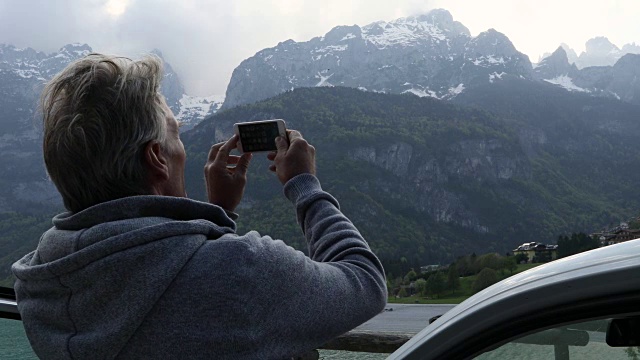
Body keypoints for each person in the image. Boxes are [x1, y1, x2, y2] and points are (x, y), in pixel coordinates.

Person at [11, 53, 387, 359]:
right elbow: (364, 282)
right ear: (157, 157)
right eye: (175, 135)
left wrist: (218, 213)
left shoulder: (38, 284)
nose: (182, 148)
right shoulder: (240, 271)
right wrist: (303, 185)